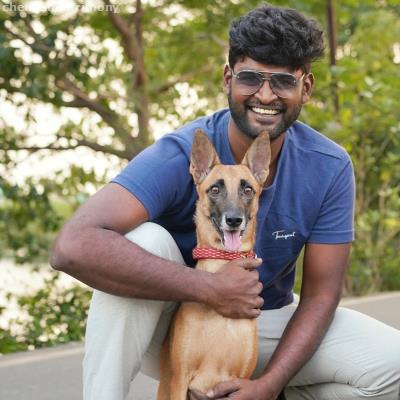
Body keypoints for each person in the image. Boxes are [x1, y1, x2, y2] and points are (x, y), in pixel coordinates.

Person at [50, 4, 400, 400]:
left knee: (394, 363)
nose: (265, 95)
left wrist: (268, 385)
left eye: (283, 81)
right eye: (251, 78)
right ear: (228, 79)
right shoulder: (181, 152)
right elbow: (72, 246)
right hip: (172, 325)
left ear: (306, 88)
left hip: (260, 321)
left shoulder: (329, 166)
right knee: (143, 240)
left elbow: (321, 296)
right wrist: (208, 287)